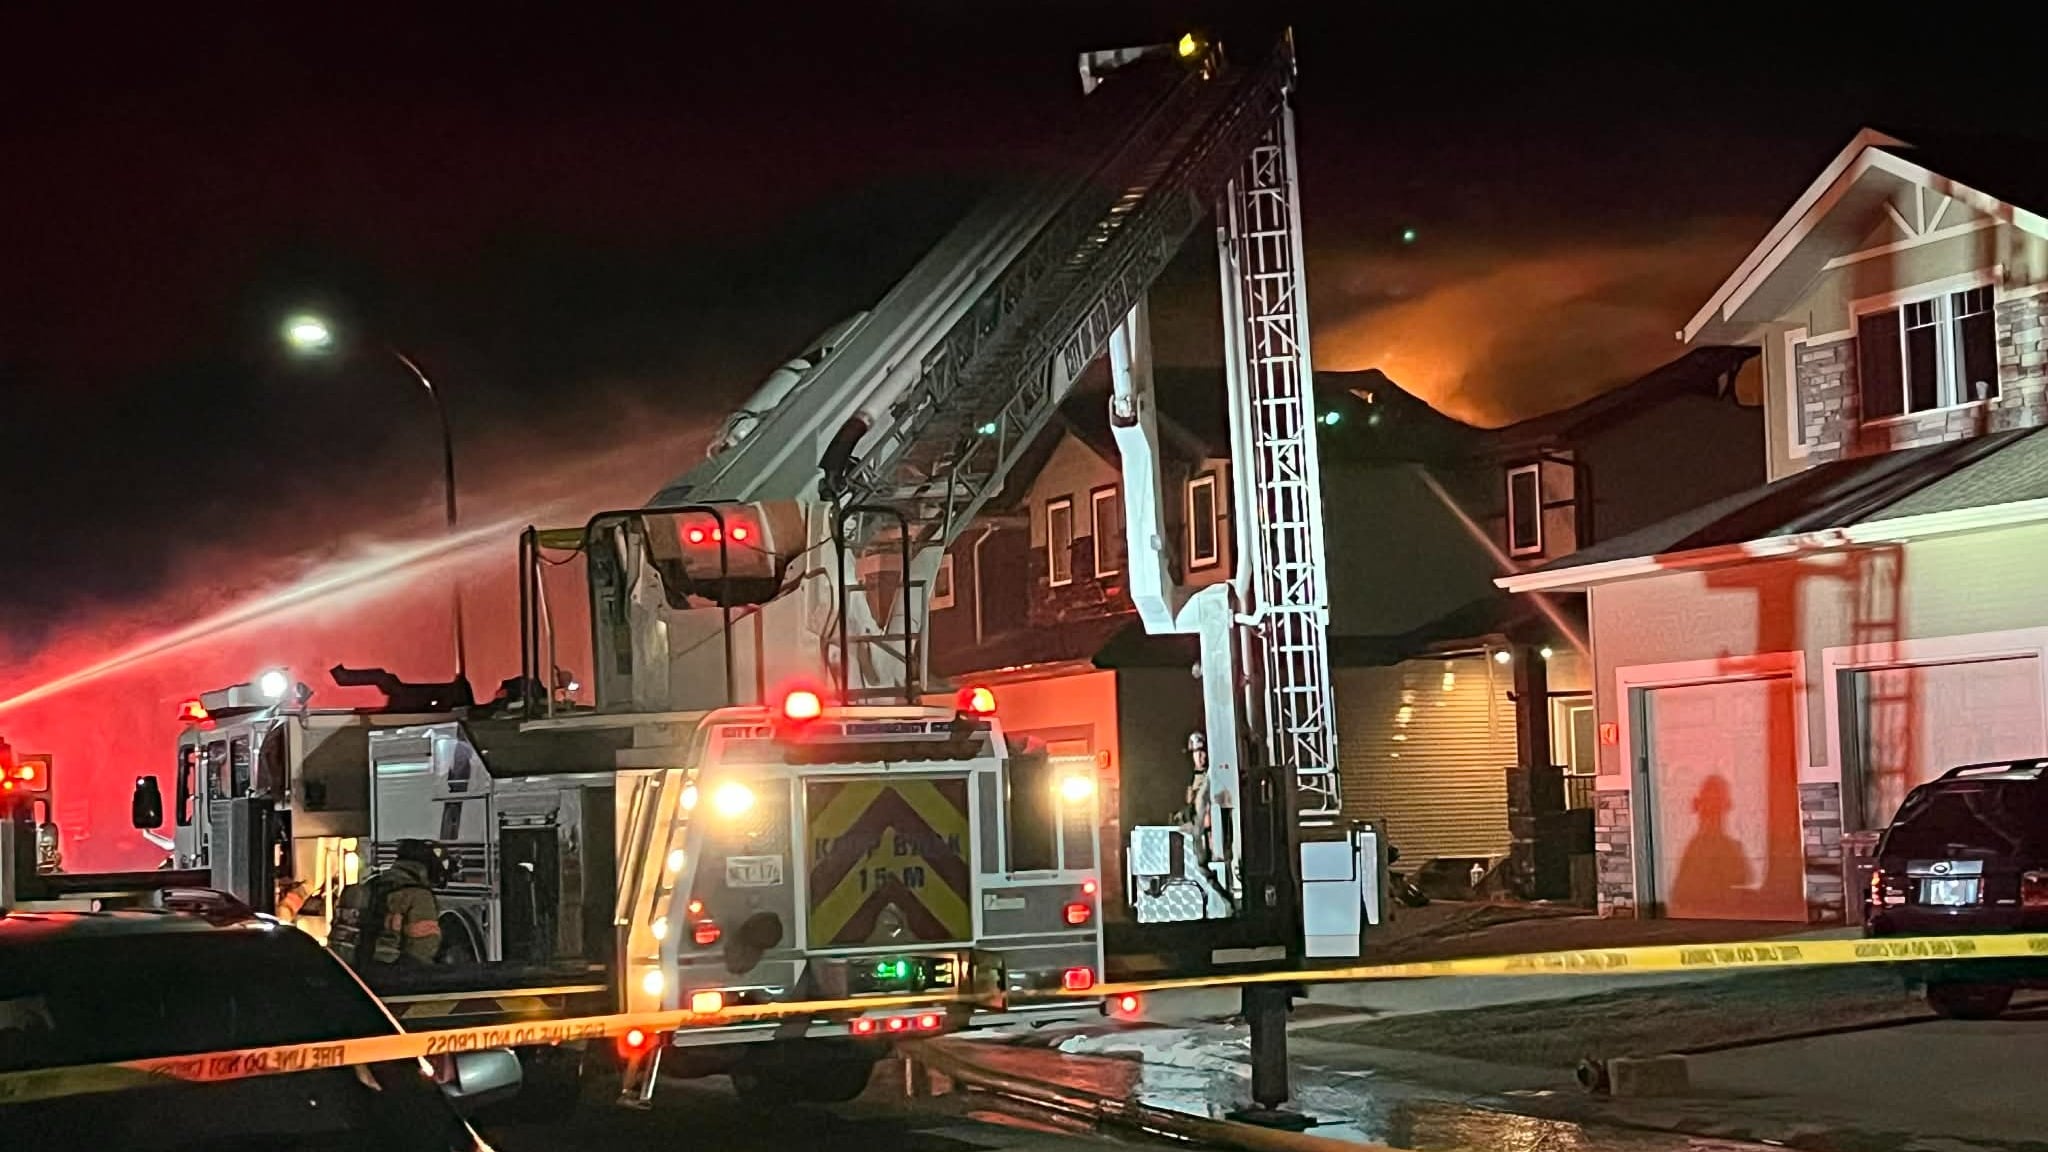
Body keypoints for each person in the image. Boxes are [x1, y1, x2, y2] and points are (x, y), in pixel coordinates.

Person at [330, 839, 445, 969]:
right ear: (427, 869)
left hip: (347, 975)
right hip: (391, 980)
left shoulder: (365, 888)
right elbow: (422, 953)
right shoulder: (419, 897)